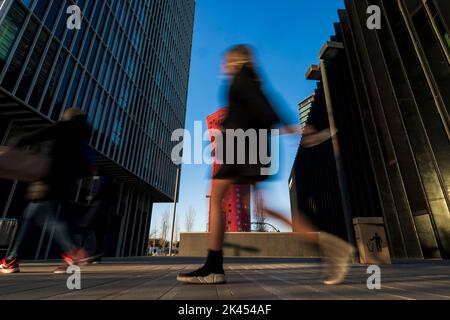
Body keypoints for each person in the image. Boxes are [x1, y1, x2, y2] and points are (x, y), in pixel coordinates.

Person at [177, 45, 354, 285]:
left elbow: (264, 110)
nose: (223, 65)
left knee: (217, 200)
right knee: (265, 209)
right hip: (251, 149)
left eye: (226, 60)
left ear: (235, 60)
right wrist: (290, 128)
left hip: (240, 148)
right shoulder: (250, 79)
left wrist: (290, 128)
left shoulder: (240, 78)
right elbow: (264, 108)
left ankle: (214, 267)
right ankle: (328, 246)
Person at [0, 108, 93, 274]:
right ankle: (11, 258)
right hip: (63, 184)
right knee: (31, 218)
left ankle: (73, 252)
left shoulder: (64, 126)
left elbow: (38, 134)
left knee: (48, 220)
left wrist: (17, 142)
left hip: (46, 181)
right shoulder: (82, 138)